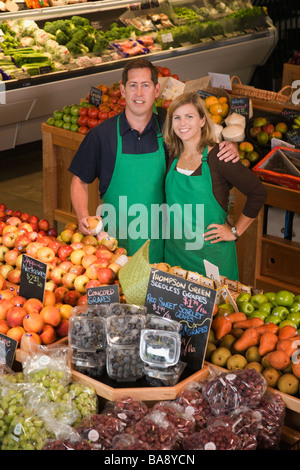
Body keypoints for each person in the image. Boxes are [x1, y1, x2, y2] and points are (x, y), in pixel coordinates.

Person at [68, 58, 239, 263]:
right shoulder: (101, 136)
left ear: (156, 90)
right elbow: (79, 180)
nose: (139, 93)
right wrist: (82, 217)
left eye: (146, 86)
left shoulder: (170, 125)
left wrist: (227, 145)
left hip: (164, 245)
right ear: (122, 90)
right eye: (133, 85)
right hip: (114, 246)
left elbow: (201, 142)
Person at [163, 91, 267, 280]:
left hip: (211, 259)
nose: (182, 123)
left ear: (203, 120)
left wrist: (235, 231)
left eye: (189, 116)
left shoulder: (219, 157)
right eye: (176, 118)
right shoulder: (171, 155)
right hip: (175, 256)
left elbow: (257, 192)